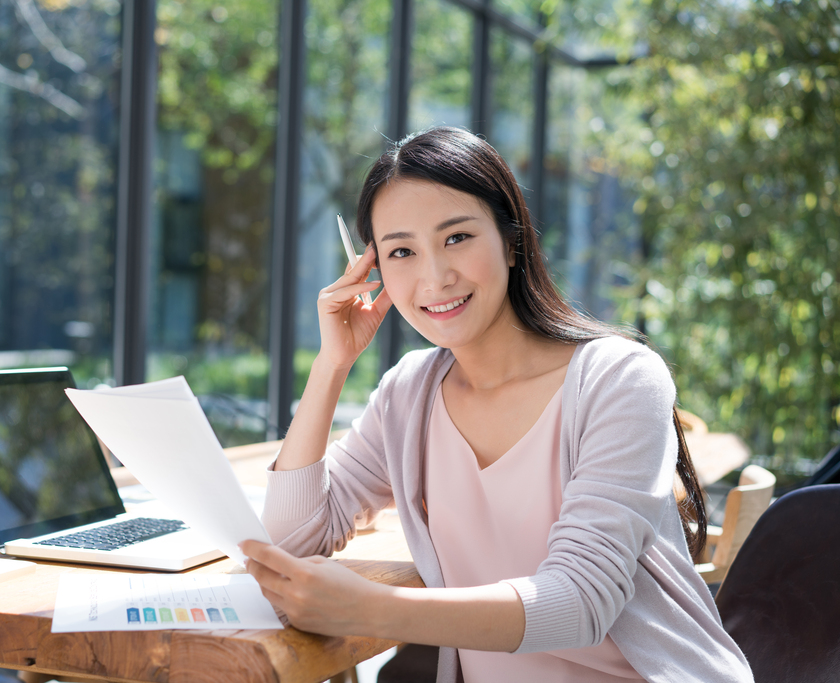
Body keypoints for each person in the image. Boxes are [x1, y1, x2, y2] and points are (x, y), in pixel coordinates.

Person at [240, 127, 753, 682]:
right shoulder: (408, 394)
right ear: (375, 272)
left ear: (510, 241)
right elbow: (290, 544)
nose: (436, 277)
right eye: (402, 251)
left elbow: (581, 602)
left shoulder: (619, 379)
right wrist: (331, 364)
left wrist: (370, 608)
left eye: (456, 237)